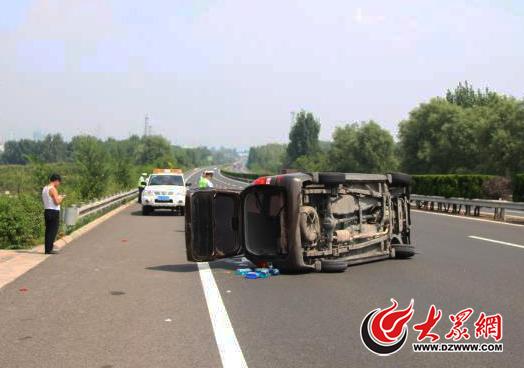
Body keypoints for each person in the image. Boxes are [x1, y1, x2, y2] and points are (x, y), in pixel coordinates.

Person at [42, 173, 65, 254]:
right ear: (56, 181)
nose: (59, 184)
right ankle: (49, 249)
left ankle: (47, 248)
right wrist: (61, 197)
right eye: (59, 182)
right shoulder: (53, 189)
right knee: (53, 231)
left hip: (47, 210)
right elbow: (57, 202)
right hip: (53, 211)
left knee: (48, 231)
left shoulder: (45, 188)